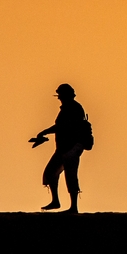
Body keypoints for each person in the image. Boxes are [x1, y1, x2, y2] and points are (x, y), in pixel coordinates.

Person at [30, 83, 89, 213]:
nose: (58, 98)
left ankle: (73, 207)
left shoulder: (73, 108)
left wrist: (43, 132)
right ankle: (56, 201)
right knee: (51, 172)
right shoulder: (68, 108)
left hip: (72, 148)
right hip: (63, 148)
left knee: (70, 175)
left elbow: (62, 126)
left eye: (60, 95)